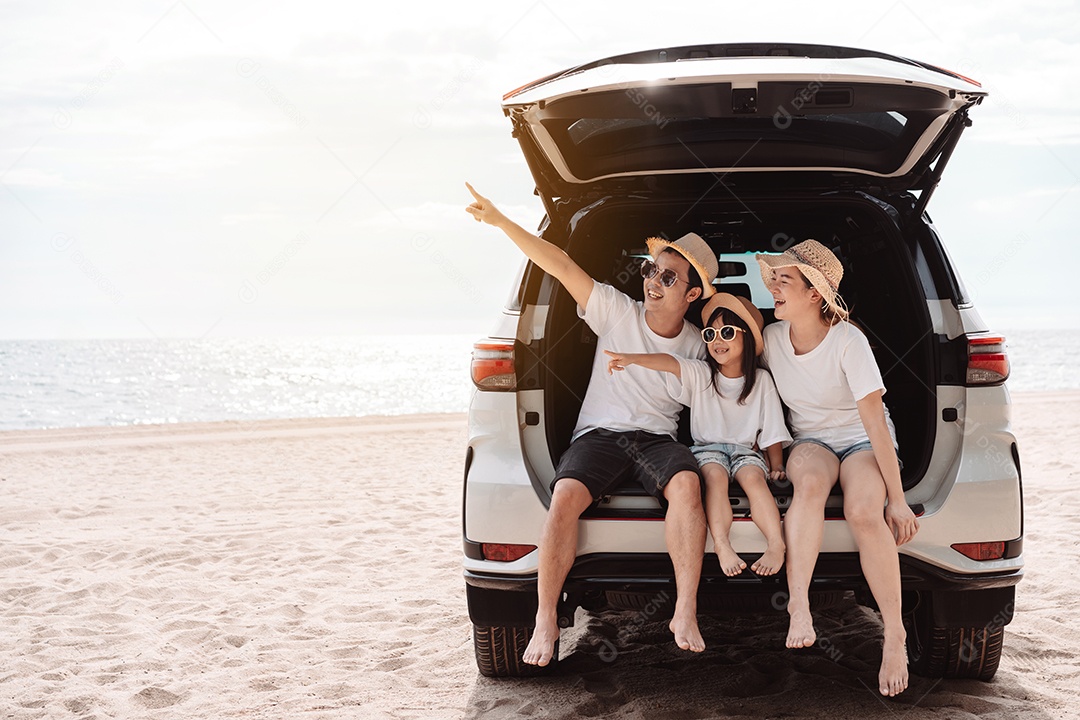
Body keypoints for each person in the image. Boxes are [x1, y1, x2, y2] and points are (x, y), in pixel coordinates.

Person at [465, 182, 720, 665]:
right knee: (562, 496)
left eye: (668, 276)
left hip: (656, 440)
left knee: (687, 485)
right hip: (599, 436)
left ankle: (685, 610)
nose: (652, 281)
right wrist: (500, 221)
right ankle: (544, 619)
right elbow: (559, 264)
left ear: (691, 293)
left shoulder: (696, 343)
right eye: (650, 270)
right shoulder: (616, 309)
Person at [755, 239, 920, 697]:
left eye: (783, 280)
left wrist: (900, 500)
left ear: (814, 294)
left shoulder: (849, 341)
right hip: (811, 441)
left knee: (865, 512)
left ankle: (894, 634)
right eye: (774, 280)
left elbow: (874, 421)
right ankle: (800, 606)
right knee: (807, 487)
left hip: (863, 439)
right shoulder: (770, 339)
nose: (773, 288)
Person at [605, 292, 791, 578]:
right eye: (710, 333)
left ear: (747, 339)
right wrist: (631, 358)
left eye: (727, 332)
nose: (717, 340)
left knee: (755, 480)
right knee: (715, 479)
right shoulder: (702, 373)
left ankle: (777, 545)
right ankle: (721, 544)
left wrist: (777, 465)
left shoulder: (762, 381)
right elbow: (669, 362)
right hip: (708, 450)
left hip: (746, 452)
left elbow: (772, 429)